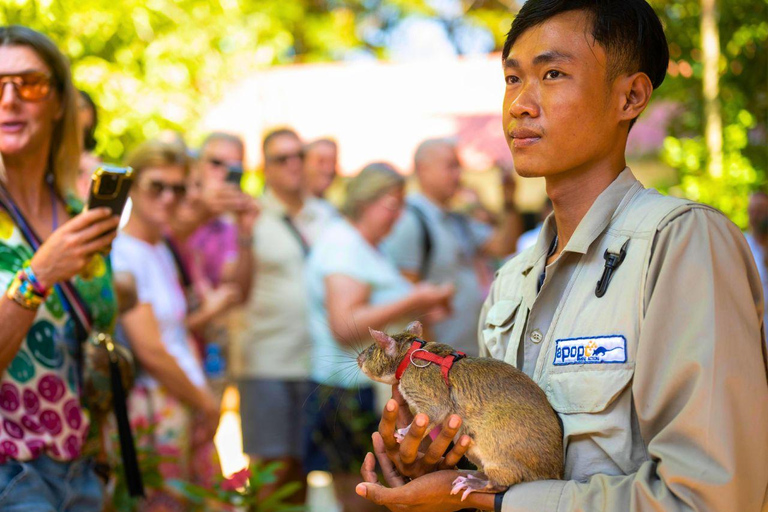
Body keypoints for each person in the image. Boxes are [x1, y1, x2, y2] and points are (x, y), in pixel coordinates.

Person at [355, 1, 768, 511]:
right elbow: (494, 466)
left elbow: (713, 499)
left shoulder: (680, 245)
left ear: (630, 96)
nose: (520, 105)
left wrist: (496, 503)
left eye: (552, 74)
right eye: (511, 79)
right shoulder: (511, 281)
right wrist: (439, 468)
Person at [0, 25, 120, 510]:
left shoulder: (77, 212)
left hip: (81, 466)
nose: (9, 100)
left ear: (57, 103)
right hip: (10, 467)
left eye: (30, 84)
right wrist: (37, 276)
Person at [304, 163, 454, 512]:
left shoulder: (367, 246)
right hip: (347, 387)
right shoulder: (343, 245)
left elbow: (382, 305)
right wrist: (415, 300)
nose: (399, 217)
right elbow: (344, 325)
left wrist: (422, 306)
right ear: (365, 200)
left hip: (365, 385)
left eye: (403, 206)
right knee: (364, 496)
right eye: (392, 204)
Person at [111, 140, 221, 510]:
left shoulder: (160, 246)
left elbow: (175, 331)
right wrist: (204, 401)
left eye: (177, 187)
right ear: (131, 188)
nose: (169, 197)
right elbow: (152, 351)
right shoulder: (122, 252)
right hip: (155, 404)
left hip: (183, 395)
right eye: (156, 186)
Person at [232, 127, 334, 502]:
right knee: (270, 473)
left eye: (299, 155)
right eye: (281, 158)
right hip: (266, 361)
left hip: (317, 362)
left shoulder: (328, 216)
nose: (292, 164)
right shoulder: (249, 216)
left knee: (303, 472)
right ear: (266, 168)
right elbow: (234, 289)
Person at [382, 138, 521, 356]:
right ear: (423, 170)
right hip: (439, 363)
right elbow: (408, 302)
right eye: (451, 166)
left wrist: (509, 199)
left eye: (459, 167)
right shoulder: (409, 220)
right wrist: (429, 361)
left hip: (463, 356)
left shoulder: (457, 220)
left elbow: (504, 245)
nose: (459, 175)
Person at [303, 137, 339, 215]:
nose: (329, 169)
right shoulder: (292, 208)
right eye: (321, 162)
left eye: (333, 162)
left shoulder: (331, 210)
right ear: (304, 162)